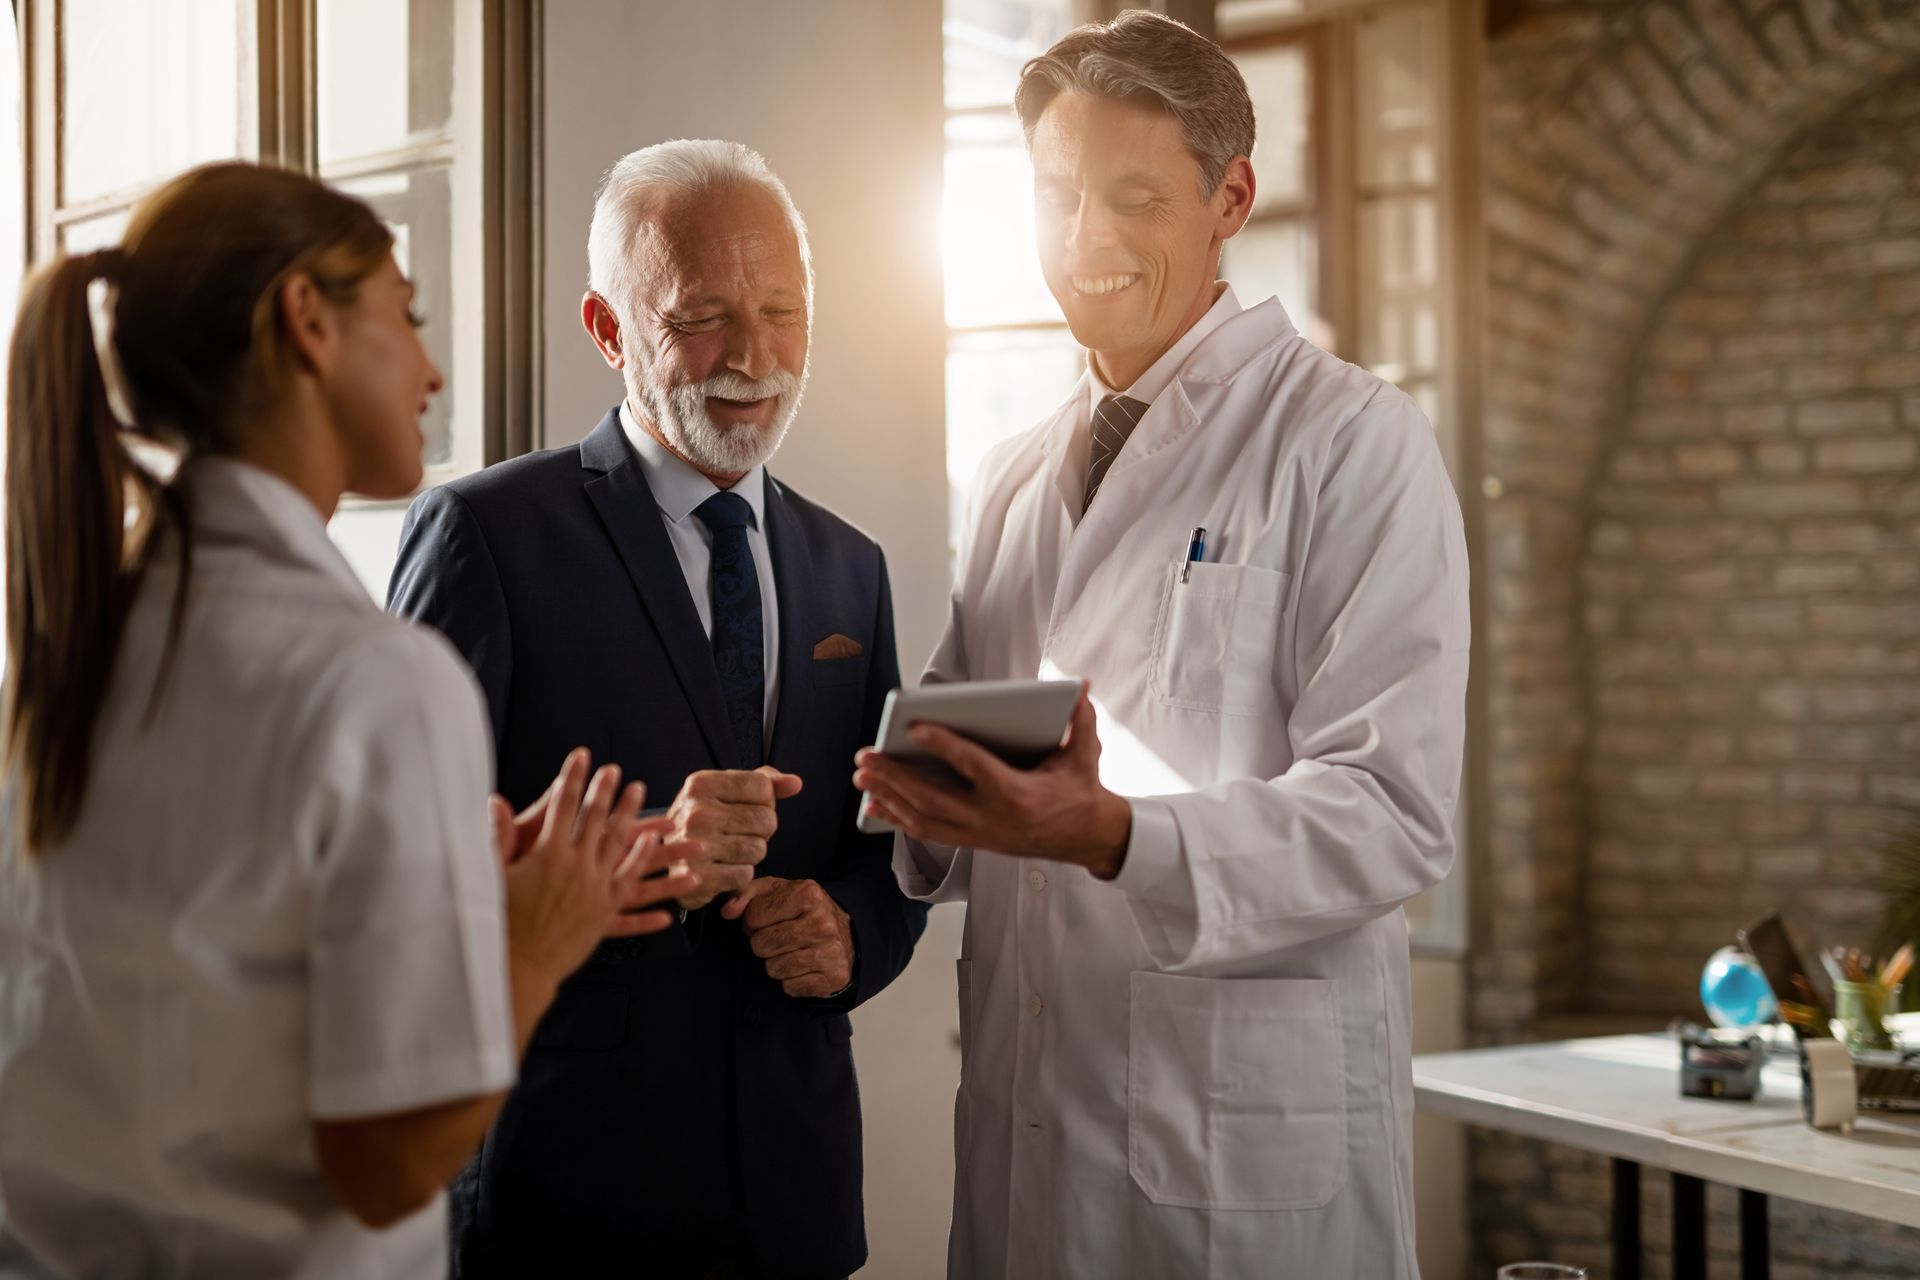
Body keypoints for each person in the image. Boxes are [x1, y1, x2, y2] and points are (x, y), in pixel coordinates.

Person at [854, 12, 1469, 1278]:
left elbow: (1395, 811)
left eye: (1135, 197)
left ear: (1229, 198)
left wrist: (1117, 834)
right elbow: (977, 786)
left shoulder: (1353, 441)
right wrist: (901, 801)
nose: (1086, 238)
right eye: (1058, 194)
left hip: (1238, 1158)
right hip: (1032, 1127)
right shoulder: (1019, 476)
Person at [0, 162, 696, 1280]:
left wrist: (443, 900)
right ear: (306, 320)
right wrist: (534, 938)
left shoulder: (58, 664)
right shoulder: (374, 679)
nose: (428, 368)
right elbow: (385, 1163)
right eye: (405, 314)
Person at [388, 139, 928, 1279]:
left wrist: (850, 934)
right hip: (563, 1206)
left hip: (797, 1206)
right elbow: (398, 874)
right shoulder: (484, 537)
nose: (754, 355)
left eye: (784, 311)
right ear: (606, 327)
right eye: (703, 316)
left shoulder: (853, 568)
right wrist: (637, 859)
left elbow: (888, 855)